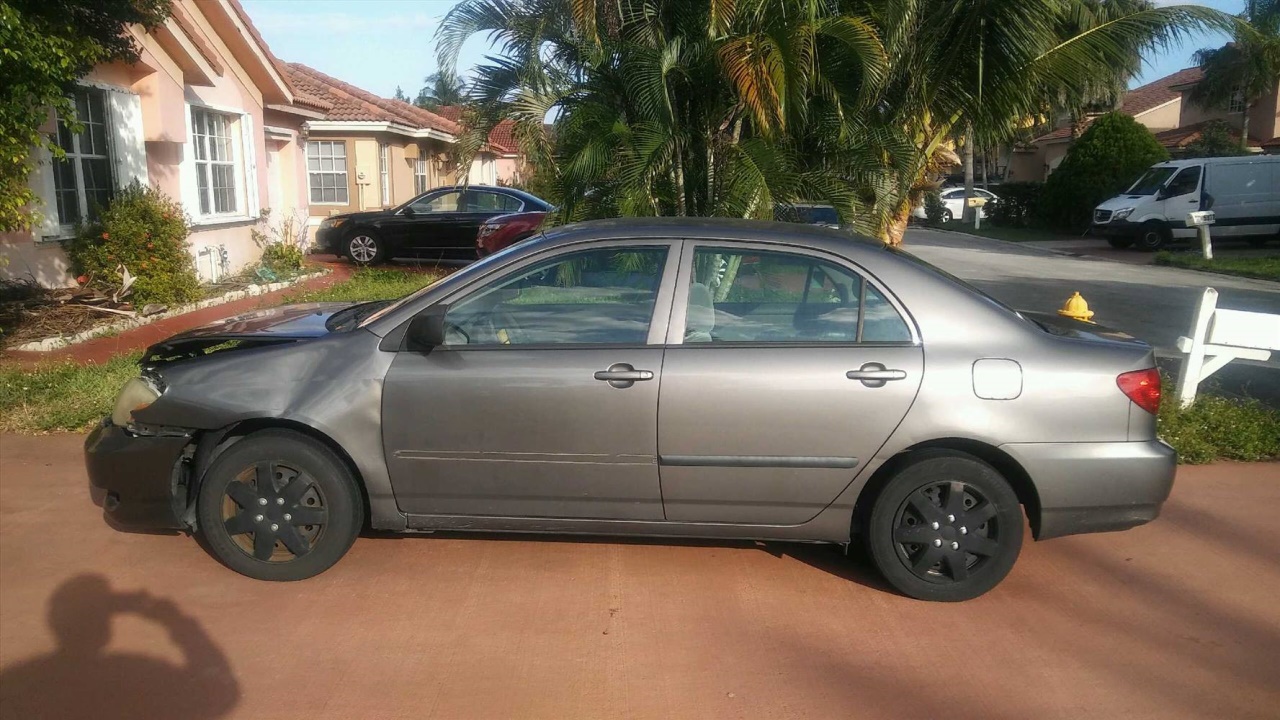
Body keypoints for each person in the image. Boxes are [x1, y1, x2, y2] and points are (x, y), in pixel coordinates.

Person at [0, 574, 239, 720]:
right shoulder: (137, 674)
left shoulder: (20, 682)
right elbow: (221, 694)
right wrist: (173, 619)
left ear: (53, 621)